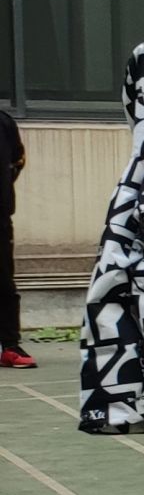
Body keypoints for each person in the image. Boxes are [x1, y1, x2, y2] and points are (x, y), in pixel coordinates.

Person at [0, 103, 29, 370]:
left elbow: (18, 160)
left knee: (4, 283)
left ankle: (10, 346)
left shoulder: (4, 122)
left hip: (0, 217)